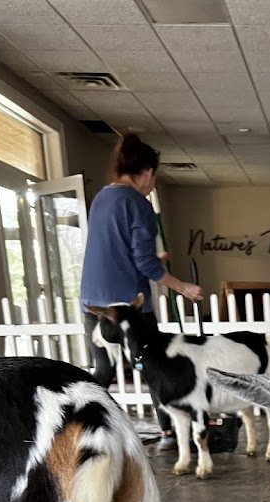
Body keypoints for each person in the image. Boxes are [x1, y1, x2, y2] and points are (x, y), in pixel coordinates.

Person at [80, 133, 203, 448]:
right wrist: (183, 287)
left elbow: (117, 251)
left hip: (93, 301)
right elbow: (145, 265)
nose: (153, 184)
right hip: (128, 305)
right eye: (154, 177)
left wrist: (152, 260)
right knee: (155, 367)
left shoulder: (102, 199)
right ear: (147, 172)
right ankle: (170, 431)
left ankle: (79, 428)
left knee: (103, 369)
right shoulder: (138, 203)